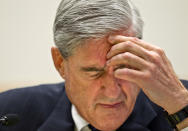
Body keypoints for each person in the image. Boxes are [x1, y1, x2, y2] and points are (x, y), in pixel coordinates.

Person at [0, 0, 188, 131]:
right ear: (60, 63)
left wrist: (181, 106)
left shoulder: (180, 102)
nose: (113, 92)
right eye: (95, 73)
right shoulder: (10, 112)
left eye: (124, 67)